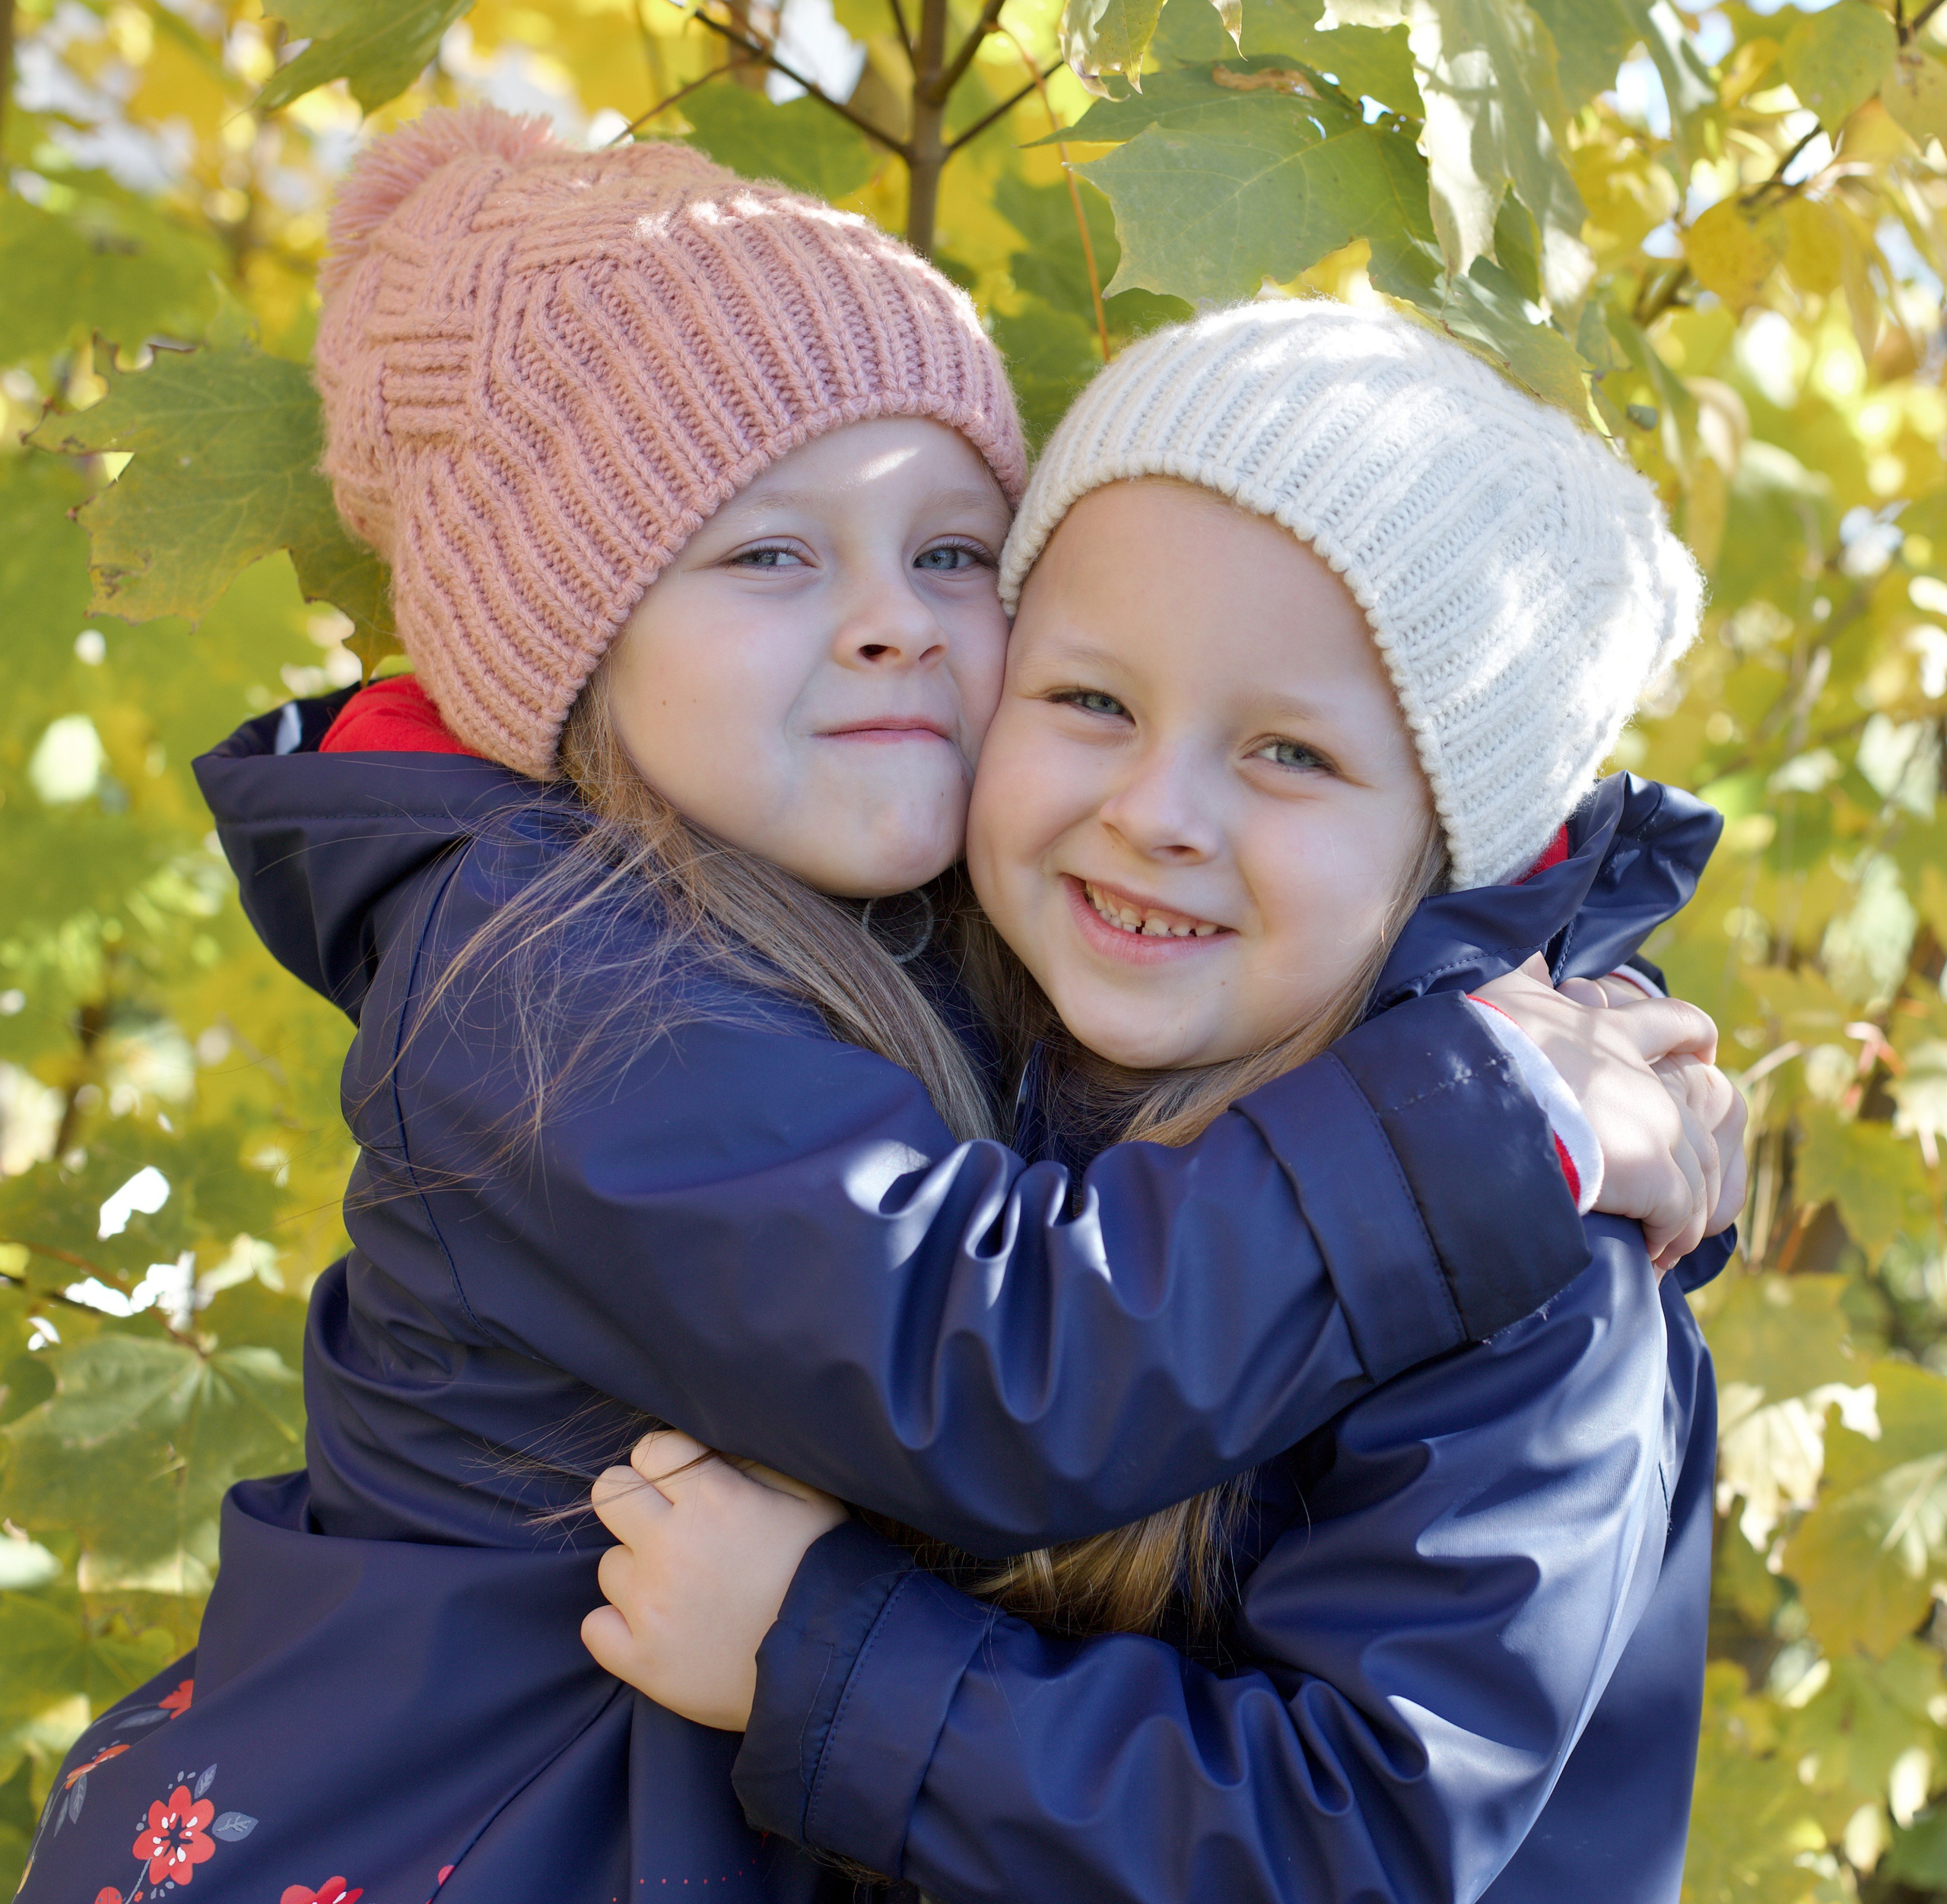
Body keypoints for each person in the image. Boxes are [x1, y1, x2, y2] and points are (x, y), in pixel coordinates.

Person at [17, 113, 1731, 1904]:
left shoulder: (981, 951)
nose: (890, 627)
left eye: (950, 555)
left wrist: (1595, 1076)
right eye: (766, 555)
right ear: (569, 642)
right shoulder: (552, 984)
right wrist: (1496, 1117)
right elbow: (992, 1351)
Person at [582, 300, 1729, 1904]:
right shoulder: (925, 1043)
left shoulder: (1532, 1291)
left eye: (1286, 754)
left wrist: (823, 1663)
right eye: (1092, 704)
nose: (1154, 810)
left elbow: (1358, 1833)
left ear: (1444, 844)